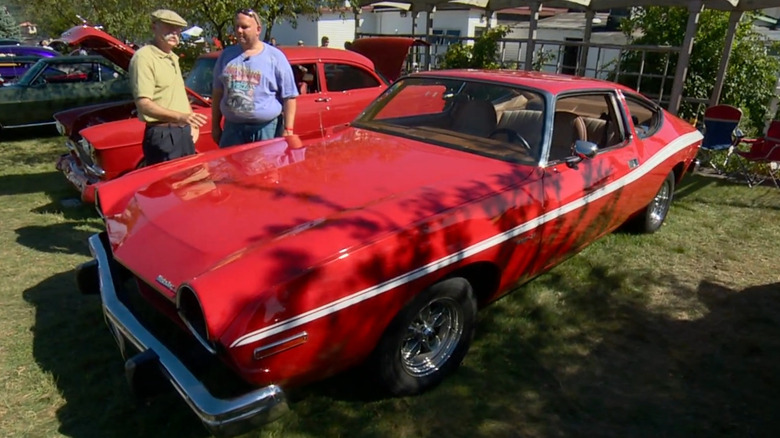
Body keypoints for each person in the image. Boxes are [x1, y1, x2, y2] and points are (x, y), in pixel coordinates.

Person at [129, 9, 207, 165]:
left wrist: (191, 122)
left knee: (188, 184)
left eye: (177, 29)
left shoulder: (172, 58)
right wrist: (182, 117)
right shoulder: (144, 57)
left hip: (182, 132)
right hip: (163, 133)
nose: (174, 32)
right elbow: (144, 104)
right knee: (168, 187)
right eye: (168, 27)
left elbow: (178, 95)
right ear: (154, 27)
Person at [211, 8, 298, 148]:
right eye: (236, 27)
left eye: (244, 27)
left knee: (265, 168)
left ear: (258, 29)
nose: (239, 31)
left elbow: (289, 96)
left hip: (266, 129)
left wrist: (288, 129)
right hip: (232, 130)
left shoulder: (275, 57)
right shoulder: (226, 56)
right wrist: (215, 126)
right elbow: (217, 93)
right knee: (231, 169)